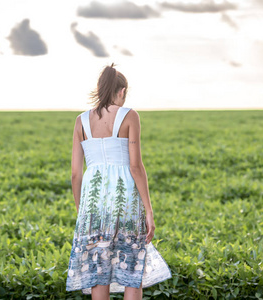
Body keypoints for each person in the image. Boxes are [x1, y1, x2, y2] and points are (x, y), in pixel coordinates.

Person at [66, 63, 171, 299]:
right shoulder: (129, 116)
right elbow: (135, 166)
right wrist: (149, 209)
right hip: (125, 200)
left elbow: (75, 173)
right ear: (122, 91)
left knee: (98, 273)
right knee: (132, 272)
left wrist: (81, 210)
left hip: (92, 204)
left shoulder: (80, 121)